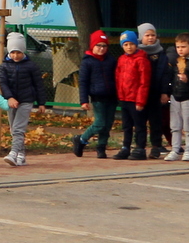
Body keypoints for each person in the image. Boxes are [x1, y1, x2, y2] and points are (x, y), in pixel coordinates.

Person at [0, 33, 46, 167]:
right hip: (11, 102)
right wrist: (10, 97)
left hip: (26, 100)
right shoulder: (3, 66)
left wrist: (41, 103)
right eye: (12, 52)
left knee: (18, 128)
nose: (15, 55)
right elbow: (3, 84)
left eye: (18, 52)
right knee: (14, 129)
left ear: (23, 51)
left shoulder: (31, 66)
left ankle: (13, 153)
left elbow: (38, 85)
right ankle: (21, 155)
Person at [72, 30, 119, 158]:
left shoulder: (111, 60)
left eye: (104, 46)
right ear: (93, 46)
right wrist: (84, 100)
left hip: (111, 97)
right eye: (98, 45)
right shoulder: (87, 62)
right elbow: (83, 82)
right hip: (97, 97)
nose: (101, 49)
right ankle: (81, 139)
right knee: (100, 123)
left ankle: (101, 147)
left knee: (108, 124)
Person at [113, 30, 152, 160]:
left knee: (139, 125)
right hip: (125, 98)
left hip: (136, 99)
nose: (129, 47)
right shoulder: (122, 59)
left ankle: (140, 148)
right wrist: (120, 95)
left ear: (136, 44)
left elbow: (144, 82)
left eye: (131, 44)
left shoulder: (141, 60)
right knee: (126, 125)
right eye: (126, 44)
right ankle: (126, 147)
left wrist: (140, 101)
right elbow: (118, 78)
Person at [165, 32, 189, 162]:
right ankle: (175, 150)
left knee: (188, 126)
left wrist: (188, 80)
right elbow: (171, 79)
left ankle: (188, 150)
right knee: (175, 126)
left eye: (183, 47)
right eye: (178, 47)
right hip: (175, 97)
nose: (180, 49)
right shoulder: (175, 62)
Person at [138, 23, 170, 158]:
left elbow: (165, 74)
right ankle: (140, 147)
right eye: (147, 35)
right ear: (141, 37)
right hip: (141, 94)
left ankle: (156, 146)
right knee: (140, 122)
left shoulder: (161, 54)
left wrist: (164, 92)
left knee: (156, 121)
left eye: (153, 35)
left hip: (156, 94)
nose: (150, 38)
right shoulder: (137, 53)